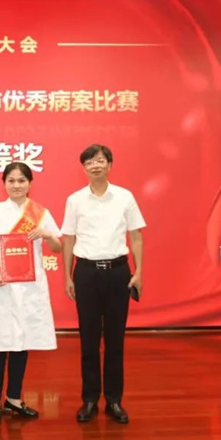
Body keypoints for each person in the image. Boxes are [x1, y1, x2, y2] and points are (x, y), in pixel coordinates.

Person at [0, 162, 62, 425]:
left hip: (31, 287)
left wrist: (47, 234)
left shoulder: (41, 213)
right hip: (3, 287)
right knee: (0, 344)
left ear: (30, 183)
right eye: (11, 180)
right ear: (4, 183)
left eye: (22, 180)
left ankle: (14, 399)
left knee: (22, 342)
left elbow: (57, 247)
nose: (16, 185)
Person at [60, 144, 146, 424]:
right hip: (86, 273)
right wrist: (68, 276)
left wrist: (139, 271)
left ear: (110, 164)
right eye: (89, 162)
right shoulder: (75, 200)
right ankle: (89, 400)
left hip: (118, 273)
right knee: (88, 340)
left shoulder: (124, 197)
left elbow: (136, 236)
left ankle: (114, 400)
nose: (95, 166)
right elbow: (68, 239)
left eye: (100, 160)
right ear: (83, 168)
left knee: (115, 340)